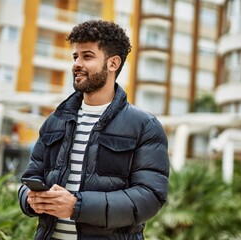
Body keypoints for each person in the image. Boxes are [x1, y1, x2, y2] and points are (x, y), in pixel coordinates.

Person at [18, 20, 170, 240]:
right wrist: (30, 200)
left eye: (87, 56)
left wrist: (77, 206)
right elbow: (30, 177)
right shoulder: (55, 121)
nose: (76, 64)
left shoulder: (145, 126)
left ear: (113, 63)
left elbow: (149, 197)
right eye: (75, 57)